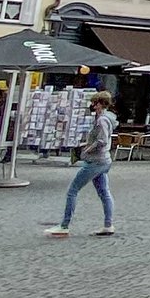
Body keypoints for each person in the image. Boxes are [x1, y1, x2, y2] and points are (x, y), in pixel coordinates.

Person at [46, 91, 118, 237]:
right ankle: (108, 224)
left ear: (99, 103)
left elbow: (102, 140)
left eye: (94, 102)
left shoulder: (102, 120)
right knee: (104, 192)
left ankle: (64, 225)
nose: (92, 105)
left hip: (95, 161)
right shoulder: (107, 118)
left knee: (73, 190)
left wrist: (86, 149)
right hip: (104, 160)